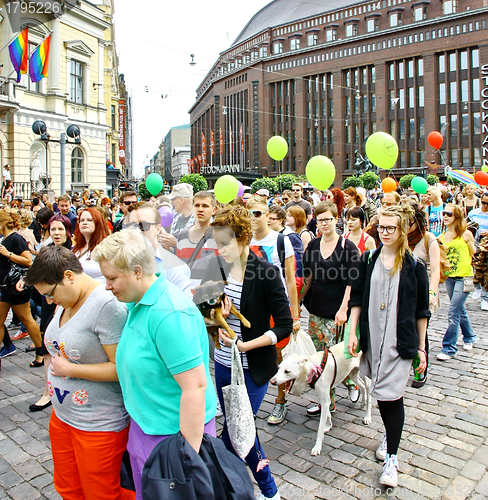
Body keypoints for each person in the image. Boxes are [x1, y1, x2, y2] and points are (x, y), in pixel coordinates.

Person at [92, 229, 217, 500]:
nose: (106, 285)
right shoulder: (139, 302)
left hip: (173, 437)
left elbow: (195, 387)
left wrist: (187, 460)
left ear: (137, 271)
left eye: (112, 277)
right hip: (149, 426)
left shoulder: (170, 313)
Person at [23, 246, 134, 500]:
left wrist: (72, 369)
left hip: (97, 422)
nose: (49, 301)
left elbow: (122, 368)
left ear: (69, 277)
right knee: (69, 488)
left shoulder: (106, 306)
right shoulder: (69, 298)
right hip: (64, 417)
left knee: (102, 493)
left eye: (50, 294)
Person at [201, 205, 292, 500]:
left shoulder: (265, 272)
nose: (221, 250)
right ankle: (266, 489)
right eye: (217, 243)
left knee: (237, 429)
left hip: (253, 367)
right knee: (239, 428)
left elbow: (284, 326)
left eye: (225, 243)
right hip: (224, 363)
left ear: (242, 238)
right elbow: (204, 313)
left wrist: (245, 345)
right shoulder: (217, 268)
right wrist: (215, 321)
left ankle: (224, 485)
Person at [347, 204, 429, 488]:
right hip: (373, 340)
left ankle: (392, 458)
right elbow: (356, 298)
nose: (383, 232)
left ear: (403, 229)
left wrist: (421, 348)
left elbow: (421, 311)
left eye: (390, 228)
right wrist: (352, 332)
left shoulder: (415, 266)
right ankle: (389, 435)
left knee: (391, 397)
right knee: (383, 396)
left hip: (400, 343)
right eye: (380, 227)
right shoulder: (368, 259)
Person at [299, 201, 361, 415]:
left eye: (328, 219)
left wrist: (344, 309)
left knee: (333, 357)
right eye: (320, 219)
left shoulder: (347, 247)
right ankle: (329, 400)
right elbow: (308, 277)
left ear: (337, 220)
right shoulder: (314, 246)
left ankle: (349, 386)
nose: (324, 223)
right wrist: (298, 302)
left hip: (336, 312)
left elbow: (351, 282)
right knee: (319, 356)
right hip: (316, 310)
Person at [248, 195, 300, 425]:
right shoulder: (242, 239)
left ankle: (280, 402)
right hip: (249, 306)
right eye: (249, 213)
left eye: (257, 213)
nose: (253, 218)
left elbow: (291, 280)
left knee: (279, 356)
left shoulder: (280, 240)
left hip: (274, 307)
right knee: (248, 353)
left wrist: (295, 315)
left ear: (267, 216)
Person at [0, 209, 43, 366]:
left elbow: (28, 261)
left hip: (16, 286)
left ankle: (41, 352)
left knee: (27, 318)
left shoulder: (15, 238)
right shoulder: (5, 238)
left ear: (3, 223)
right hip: (5, 286)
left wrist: (8, 254)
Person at [407, 203, 441, 388]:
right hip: (403, 291)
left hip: (422, 291)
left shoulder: (428, 238)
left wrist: (432, 292)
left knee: (421, 331)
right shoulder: (399, 237)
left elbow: (435, 270)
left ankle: (420, 371)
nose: (406, 226)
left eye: (409, 223)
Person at [437, 204, 476, 360]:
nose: (445, 216)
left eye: (449, 214)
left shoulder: (466, 235)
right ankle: (469, 336)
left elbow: (473, 254)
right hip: (450, 277)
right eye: (444, 213)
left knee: (453, 312)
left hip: (464, 276)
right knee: (460, 310)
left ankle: (449, 348)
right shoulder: (441, 236)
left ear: (457, 217)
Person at [127, 202, 192, 296]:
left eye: (144, 226)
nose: (136, 231)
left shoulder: (174, 267)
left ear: (158, 229)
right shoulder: (118, 261)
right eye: (132, 226)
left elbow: (185, 307)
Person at [176, 191, 219, 290]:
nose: (200, 209)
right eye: (197, 205)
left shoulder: (220, 237)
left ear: (214, 210)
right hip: (185, 296)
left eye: (205, 206)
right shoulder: (182, 236)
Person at [72, 207, 110, 283]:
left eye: (89, 220)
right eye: (81, 220)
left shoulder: (107, 248)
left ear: (98, 223)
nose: (84, 223)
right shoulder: (76, 248)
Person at [467, 191, 488, 310]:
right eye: (484, 203)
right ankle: (478, 287)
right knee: (477, 268)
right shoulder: (474, 213)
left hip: (487, 247)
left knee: (486, 272)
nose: (485, 206)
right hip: (476, 245)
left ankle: (485, 298)